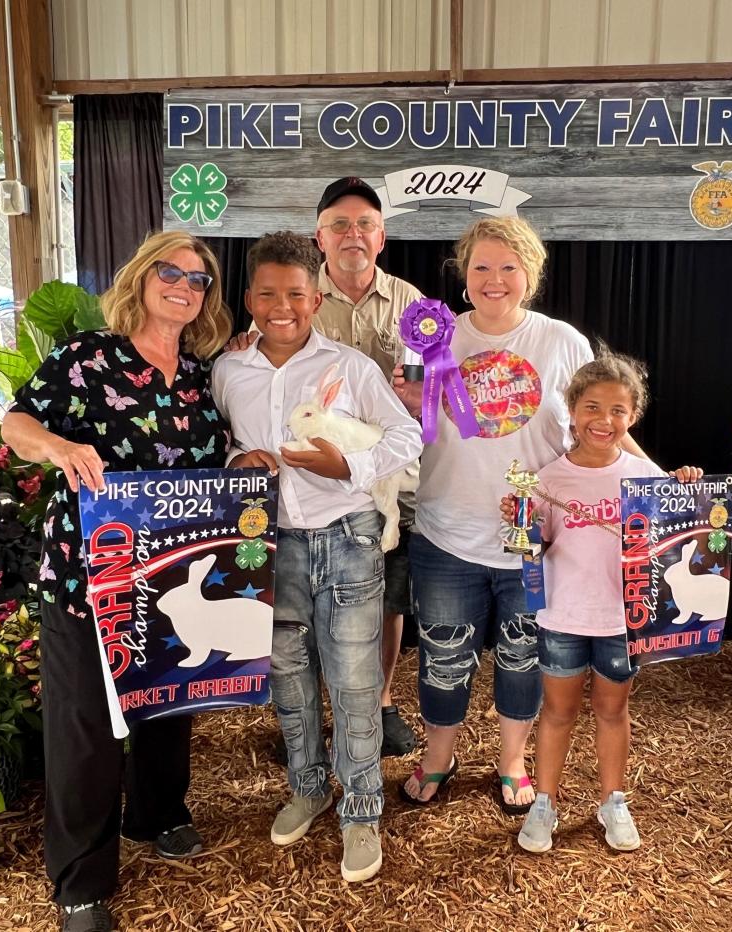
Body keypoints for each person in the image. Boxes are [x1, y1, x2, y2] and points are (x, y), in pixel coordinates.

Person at [1, 231, 232, 932]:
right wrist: (60, 446)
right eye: (172, 272)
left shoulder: (198, 375)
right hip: (88, 570)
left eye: (198, 281)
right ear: (142, 275)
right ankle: (80, 882)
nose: (184, 288)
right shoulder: (87, 358)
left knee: (166, 701)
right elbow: (15, 422)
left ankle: (158, 814)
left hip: (168, 568)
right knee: (85, 724)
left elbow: (212, 461)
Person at [393, 216, 651, 815]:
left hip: (536, 541)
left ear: (530, 274)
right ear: (463, 273)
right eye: (481, 266)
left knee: (523, 656)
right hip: (446, 533)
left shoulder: (562, 342)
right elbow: (407, 422)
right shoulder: (434, 340)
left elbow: (603, 427)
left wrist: (663, 486)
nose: (494, 278)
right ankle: (439, 756)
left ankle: (512, 761)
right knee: (444, 654)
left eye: (509, 266)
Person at [211, 231, 422, 883]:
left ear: (317, 297)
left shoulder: (351, 368)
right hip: (268, 544)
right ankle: (307, 787)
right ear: (248, 298)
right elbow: (216, 439)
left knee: (356, 683)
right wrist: (233, 459)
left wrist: (349, 465)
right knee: (289, 674)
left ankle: (360, 811)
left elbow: (408, 435)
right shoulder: (227, 369)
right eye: (268, 294)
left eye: (296, 295)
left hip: (347, 538)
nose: (282, 307)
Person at [230, 176, 424, 758]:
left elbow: (434, 400)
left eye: (364, 224)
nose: (352, 234)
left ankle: (378, 703)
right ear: (321, 237)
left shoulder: (414, 304)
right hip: (301, 498)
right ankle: (304, 714)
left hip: (386, 482)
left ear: (381, 236)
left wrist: (425, 395)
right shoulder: (291, 299)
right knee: (296, 610)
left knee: (383, 599)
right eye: (339, 224)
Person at [494, 350, 702, 854]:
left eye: (616, 411)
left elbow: (684, 531)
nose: (603, 420)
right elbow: (533, 548)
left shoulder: (645, 476)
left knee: (613, 711)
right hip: (563, 616)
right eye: (591, 407)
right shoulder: (548, 478)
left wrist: (689, 489)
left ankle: (613, 800)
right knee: (558, 712)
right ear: (571, 411)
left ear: (632, 417)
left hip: (621, 620)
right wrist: (519, 522)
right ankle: (544, 803)